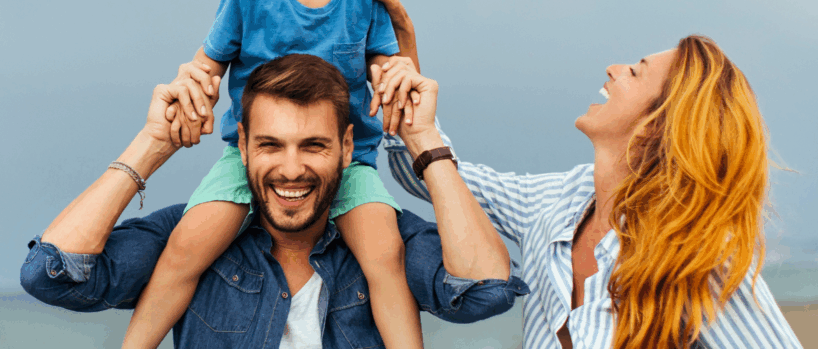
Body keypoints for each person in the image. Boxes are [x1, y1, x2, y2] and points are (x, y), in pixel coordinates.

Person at [20, 53, 527, 348]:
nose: (291, 169)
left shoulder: (384, 241)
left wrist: (424, 141)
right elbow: (50, 275)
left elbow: (484, 293)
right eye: (270, 145)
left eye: (314, 145)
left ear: (347, 148)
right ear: (241, 146)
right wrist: (153, 145)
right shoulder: (191, 235)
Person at [373, 9, 802, 347]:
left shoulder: (701, 256)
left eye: (635, 71)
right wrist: (405, 79)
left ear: (658, 124)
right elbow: (437, 180)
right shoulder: (556, 202)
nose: (614, 68)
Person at [124, 0, 424, 347]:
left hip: (349, 160)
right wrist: (191, 90)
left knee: (385, 256)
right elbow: (208, 64)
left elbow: (388, 66)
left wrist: (399, 72)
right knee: (185, 247)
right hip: (252, 160)